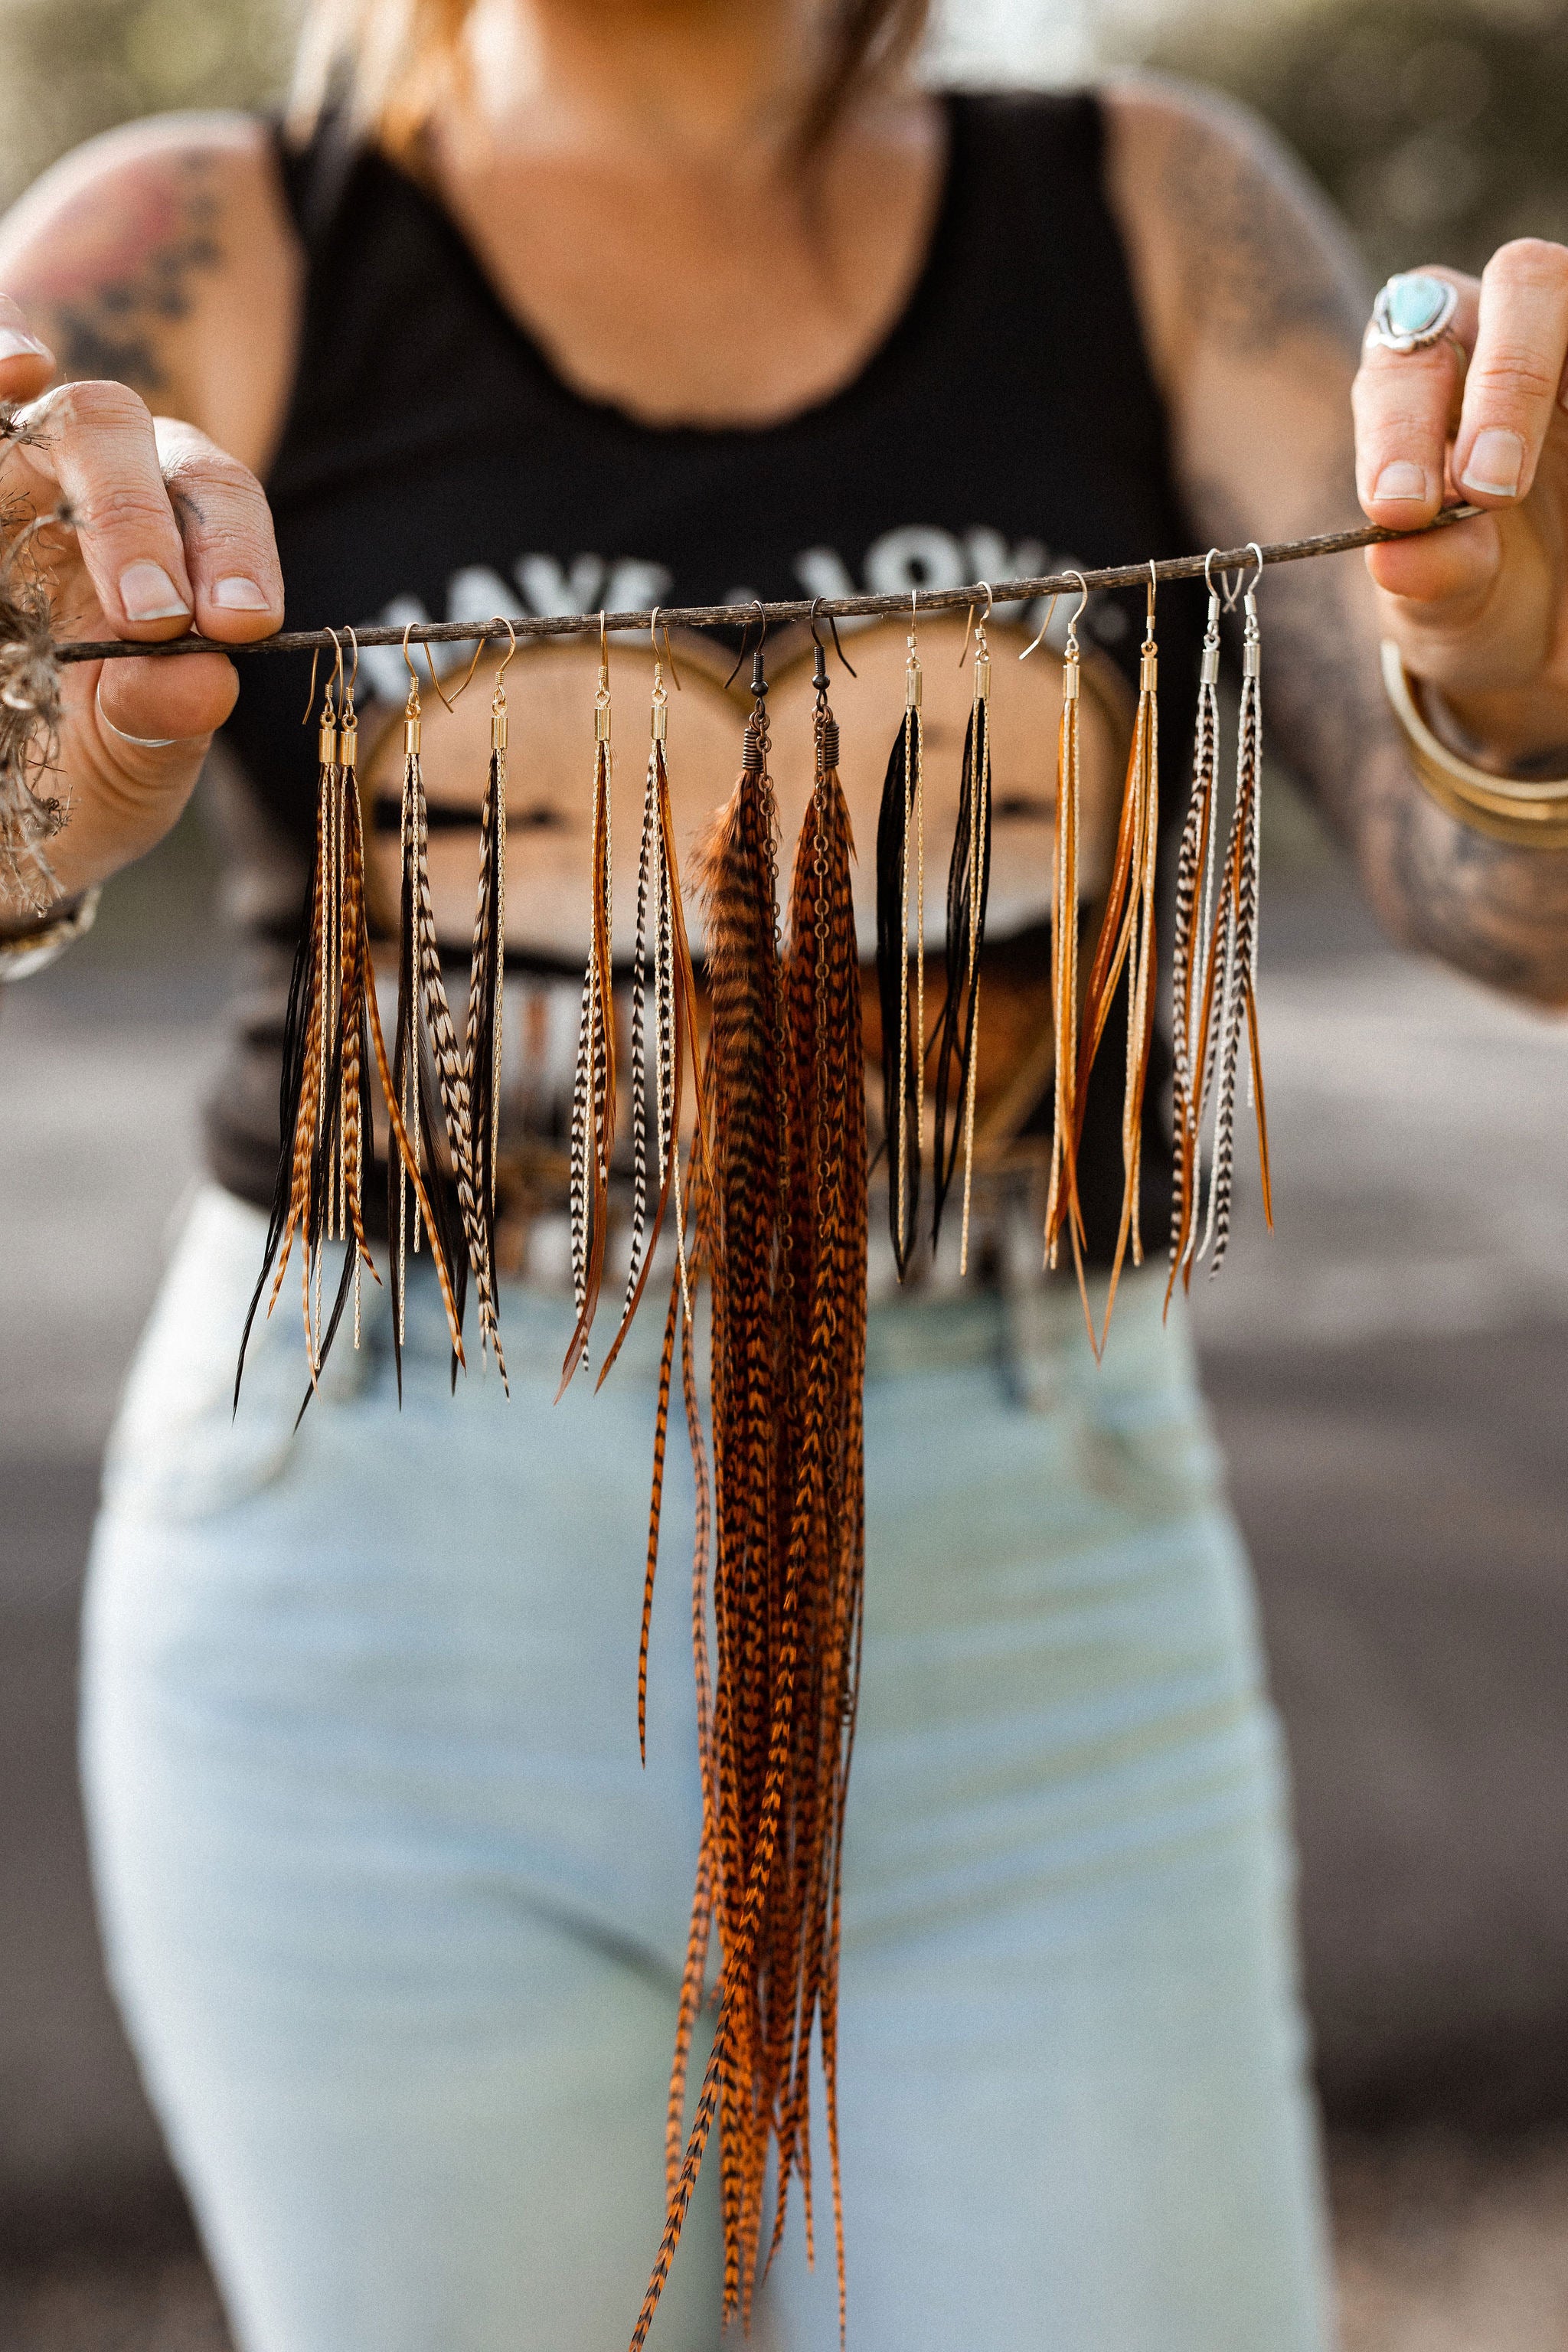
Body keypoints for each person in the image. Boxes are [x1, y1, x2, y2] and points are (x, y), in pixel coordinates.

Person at [2, 4, 1567, 2347]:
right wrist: (38, 796)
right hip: (372, 1577)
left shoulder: (1154, 208)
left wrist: (1525, 681)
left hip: (1036, 1578)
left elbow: (1498, 906)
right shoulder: (196, 235)